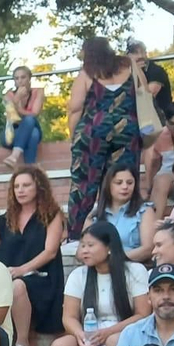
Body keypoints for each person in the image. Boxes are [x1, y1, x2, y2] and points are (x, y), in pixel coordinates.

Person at [45, 222, 149, 346]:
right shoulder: (78, 275)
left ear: (109, 247)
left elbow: (143, 315)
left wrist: (108, 333)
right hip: (91, 341)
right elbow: (69, 317)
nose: (84, 251)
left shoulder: (135, 271)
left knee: (115, 341)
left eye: (90, 245)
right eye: (82, 245)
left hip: (123, 335)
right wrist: (79, 334)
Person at [0, 166, 65, 346]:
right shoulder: (7, 218)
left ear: (39, 187)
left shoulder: (52, 215)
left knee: (17, 285)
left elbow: (50, 251)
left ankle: (22, 344)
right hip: (10, 276)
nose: (20, 190)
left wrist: (22, 269)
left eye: (26, 185)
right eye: (16, 186)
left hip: (42, 278)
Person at [67, 36, 141, 237]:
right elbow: (143, 93)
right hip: (127, 130)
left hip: (92, 132)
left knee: (84, 184)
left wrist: (73, 137)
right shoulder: (129, 65)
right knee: (122, 180)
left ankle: (77, 235)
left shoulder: (87, 73)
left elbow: (75, 108)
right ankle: (123, 231)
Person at [94, 158, 158, 265]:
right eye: (118, 183)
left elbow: (148, 248)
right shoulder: (96, 213)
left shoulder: (145, 211)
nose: (125, 187)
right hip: (100, 267)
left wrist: (113, 260)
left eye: (130, 183)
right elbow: (83, 247)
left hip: (132, 267)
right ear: (108, 185)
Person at [2, 65, 47, 165]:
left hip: (30, 124)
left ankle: (14, 156)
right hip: (12, 133)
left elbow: (34, 113)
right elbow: (13, 118)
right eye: (16, 78)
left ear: (29, 78)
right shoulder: (8, 95)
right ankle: (30, 168)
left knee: (30, 119)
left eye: (23, 77)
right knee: (33, 134)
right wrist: (17, 98)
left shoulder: (38, 92)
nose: (20, 81)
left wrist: (17, 106)